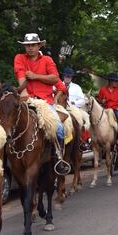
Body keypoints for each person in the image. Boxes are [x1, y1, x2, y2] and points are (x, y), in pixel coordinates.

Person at [14, 33, 70, 174]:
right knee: (8, 124)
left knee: (58, 128)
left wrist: (35, 76)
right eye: (27, 45)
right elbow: (20, 75)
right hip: (27, 99)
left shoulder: (47, 60)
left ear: (39, 45)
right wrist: (24, 91)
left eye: (33, 45)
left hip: (45, 101)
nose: (30, 48)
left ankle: (59, 158)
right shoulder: (19, 58)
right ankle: (6, 158)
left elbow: (54, 78)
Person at [97, 73, 118, 145]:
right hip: (105, 109)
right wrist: (102, 101)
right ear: (110, 82)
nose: (117, 83)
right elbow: (99, 99)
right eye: (115, 81)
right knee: (96, 120)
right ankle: (95, 138)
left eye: (117, 81)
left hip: (115, 109)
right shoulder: (103, 89)